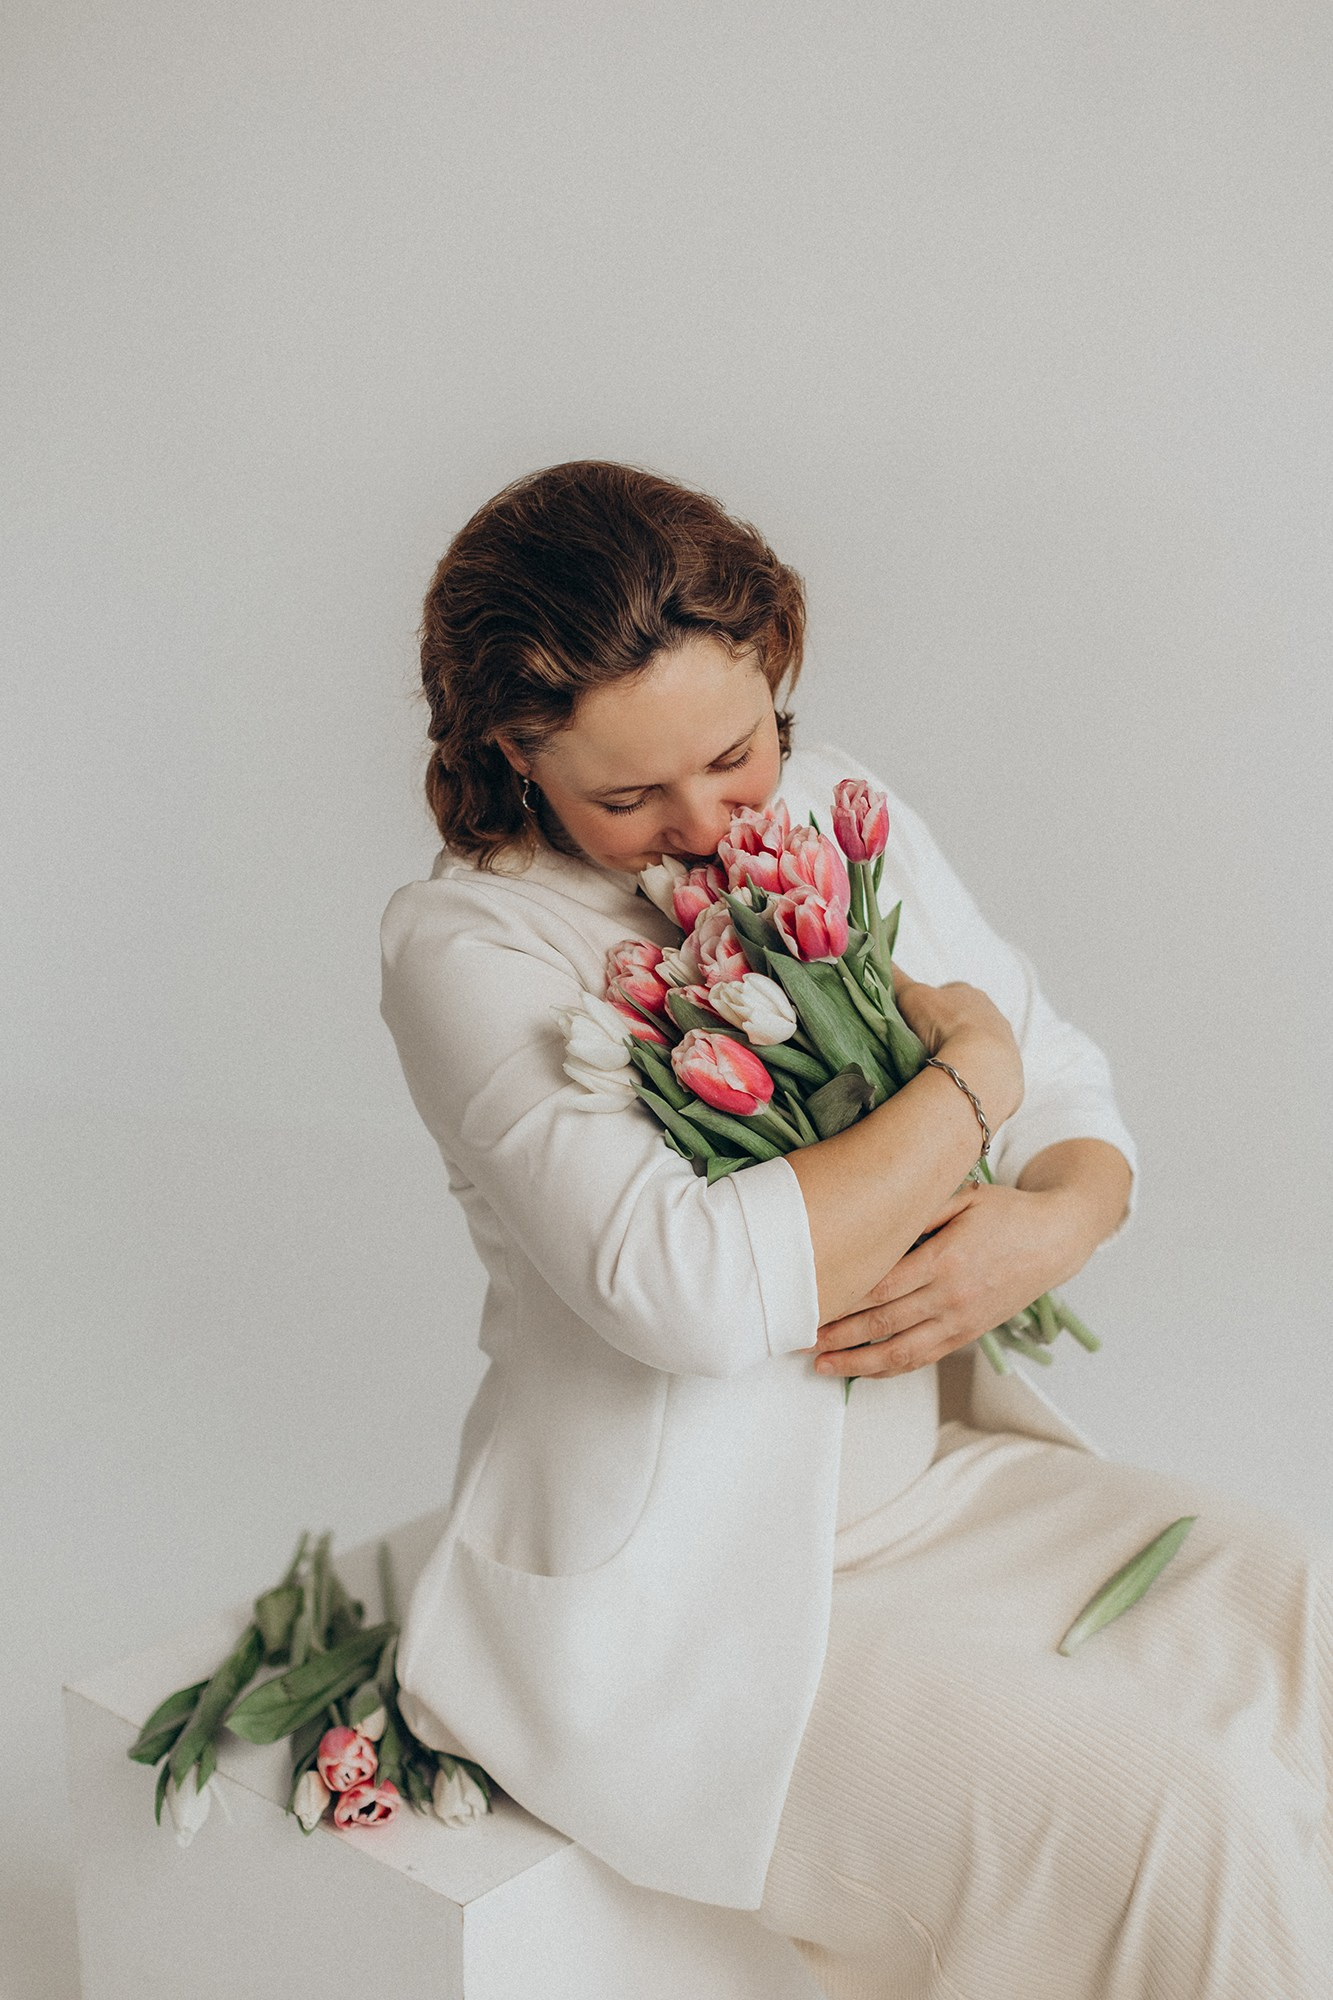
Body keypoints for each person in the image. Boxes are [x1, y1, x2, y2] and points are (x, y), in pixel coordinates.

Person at [379, 460, 1333, 1999]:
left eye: (734, 752)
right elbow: (688, 1290)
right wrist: (968, 1083)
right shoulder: (469, 942)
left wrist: (1054, 1220)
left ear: (775, 672)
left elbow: (1060, 1081)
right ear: (513, 753)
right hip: (684, 1600)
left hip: (936, 1489)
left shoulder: (829, 810)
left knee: (1307, 1610)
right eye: (626, 798)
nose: (704, 824)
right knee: (1184, 1824)